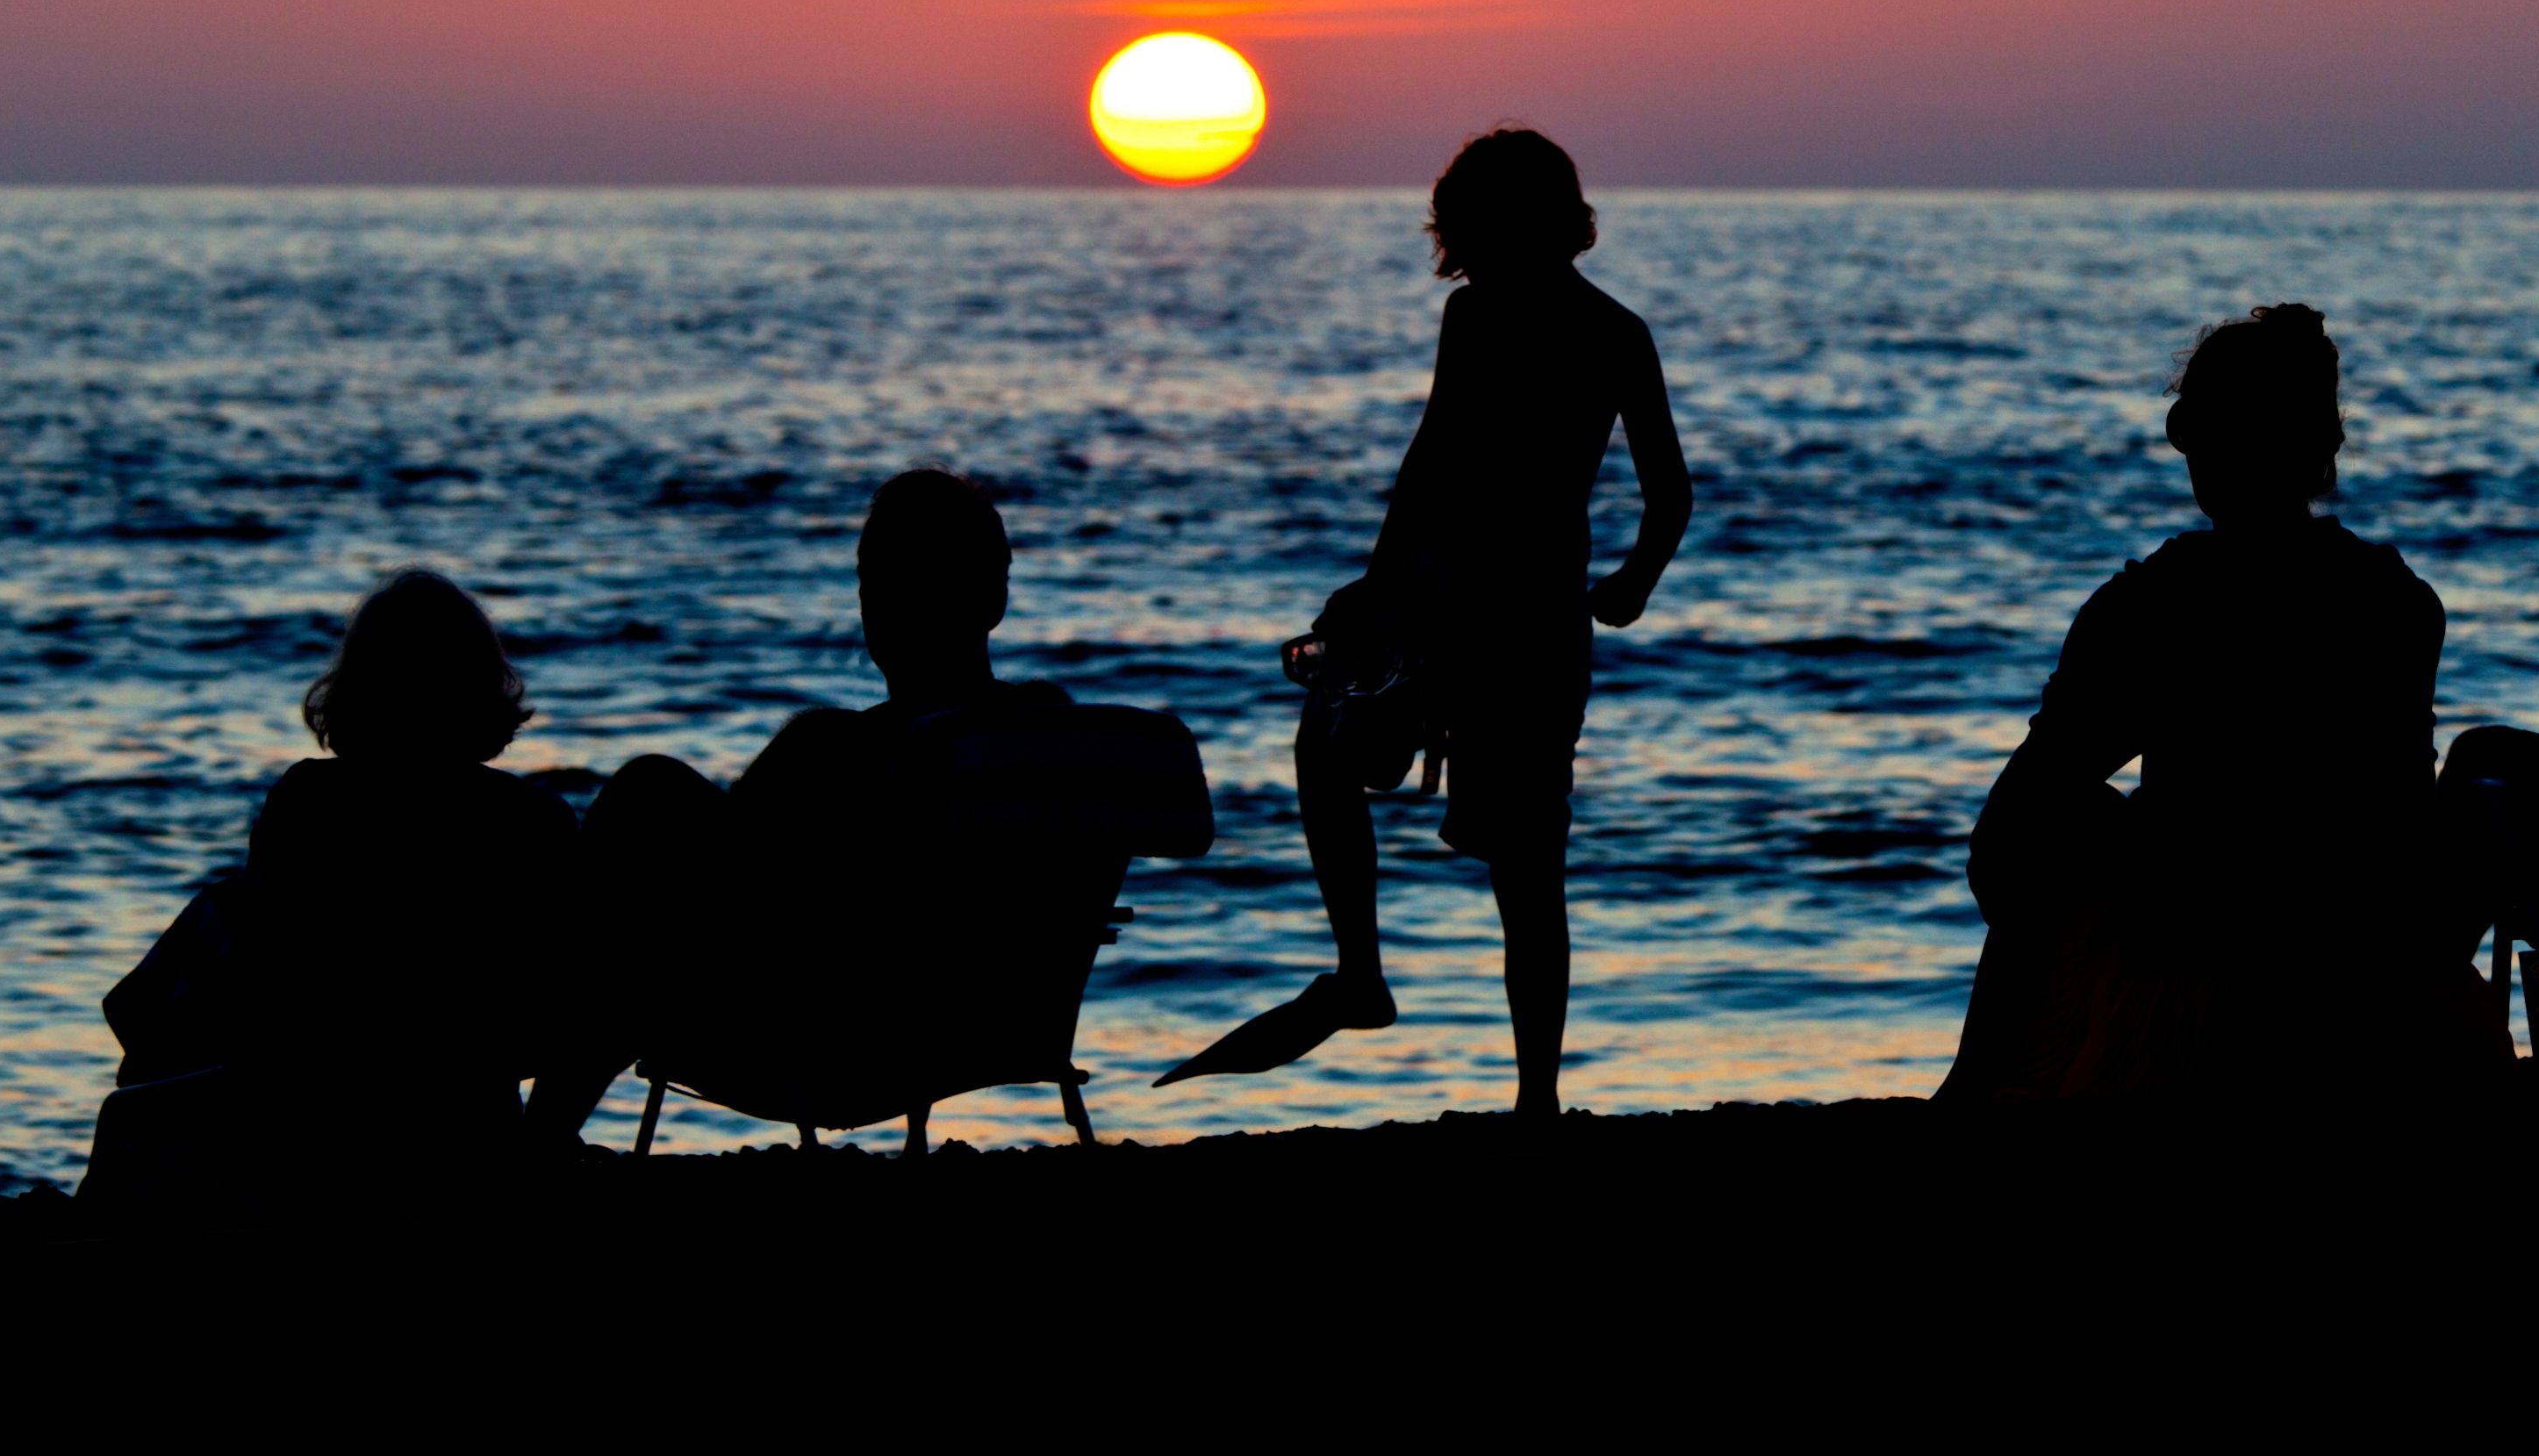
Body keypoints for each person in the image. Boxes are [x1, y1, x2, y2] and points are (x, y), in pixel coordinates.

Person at [1162, 126, 1692, 1116]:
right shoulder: (1568, 325)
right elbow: (1456, 470)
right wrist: (1629, 583)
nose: (1464, 246)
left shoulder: (1530, 325)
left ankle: (1500, 1069)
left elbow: (1458, 475)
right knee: (1397, 786)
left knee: (1515, 858)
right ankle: (1422, 1018)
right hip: (1481, 618)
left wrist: (1633, 581)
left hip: (1486, 622)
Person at [1941, 304, 2499, 1103]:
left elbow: (2005, 847)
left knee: (2074, 822)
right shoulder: (2399, 604)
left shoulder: (2151, 609)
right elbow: (2388, 826)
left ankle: (1973, 1103)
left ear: (2197, 442)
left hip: (2199, 1027)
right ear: (2323, 449)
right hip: (2397, 1015)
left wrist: (2123, 858)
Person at [528, 465, 1075, 1143]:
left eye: (885, 584)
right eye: (874, 585)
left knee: (648, 792)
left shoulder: (832, 750)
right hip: (994, 1029)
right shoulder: (1052, 733)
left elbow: (719, 899)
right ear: (995, 597)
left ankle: (536, 1133)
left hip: (827, 1048)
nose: (876, 607)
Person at [97, 568, 578, 1186]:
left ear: (360, 686)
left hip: (316, 1114)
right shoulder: (534, 816)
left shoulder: (308, 802)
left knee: (219, 919)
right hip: (471, 1114)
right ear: (482, 684)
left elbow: (271, 973)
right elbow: (559, 999)